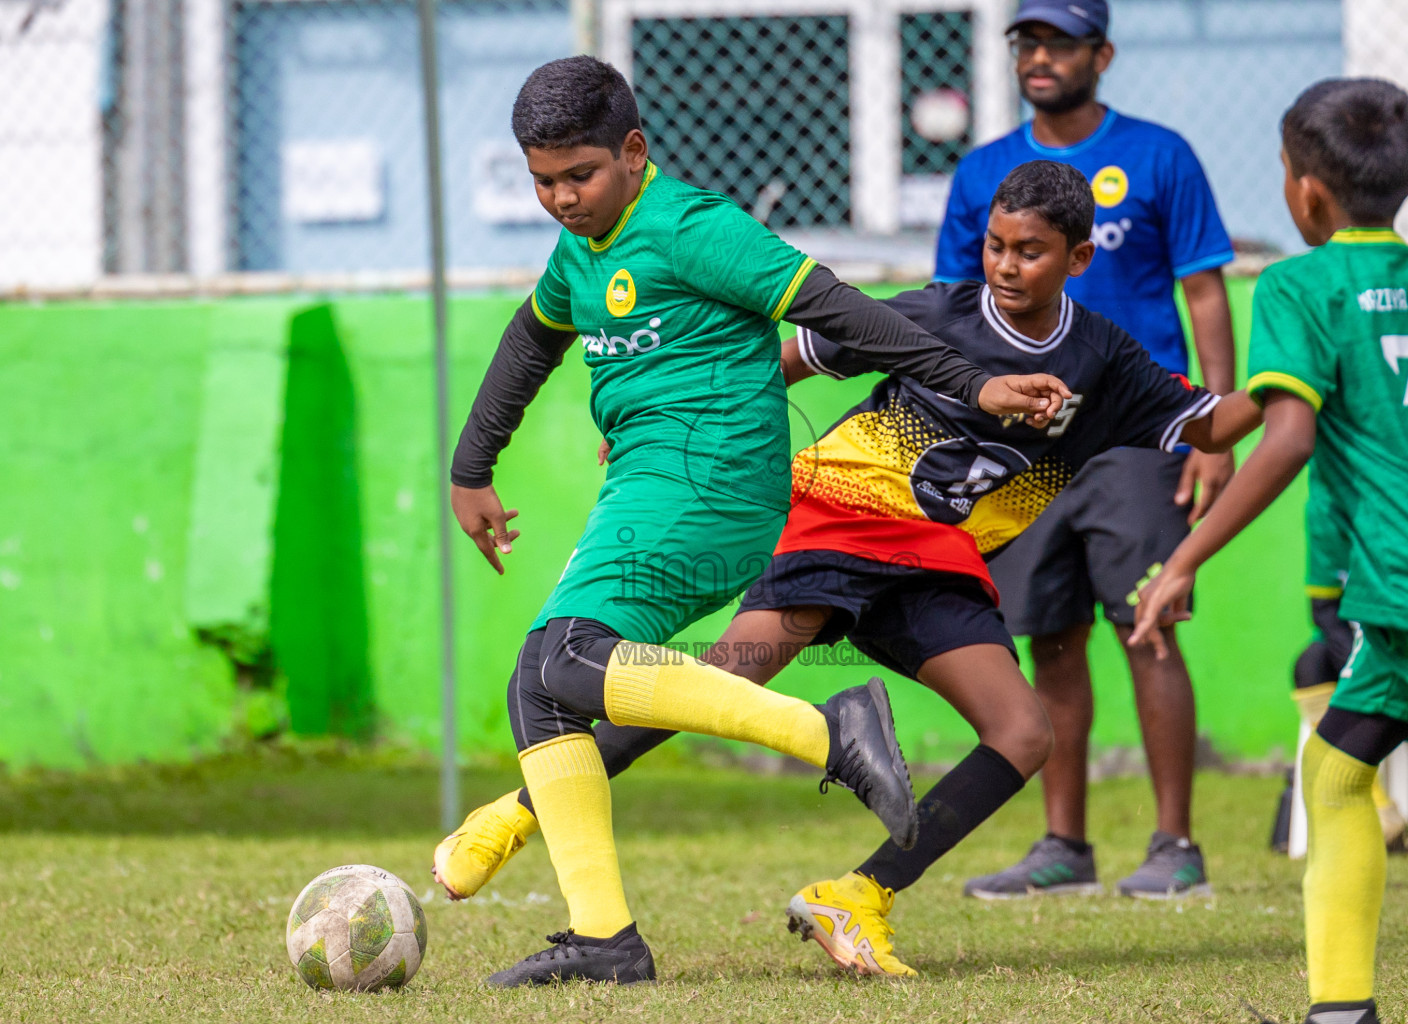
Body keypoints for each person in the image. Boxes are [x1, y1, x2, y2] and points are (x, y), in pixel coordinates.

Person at [438, 160, 1262, 977]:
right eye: (996, 245)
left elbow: (1215, 424)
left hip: (939, 564)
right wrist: (674, 413)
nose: (1007, 266)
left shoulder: (1106, 362)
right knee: (726, 679)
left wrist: (1293, 385)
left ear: (1078, 260)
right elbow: (783, 359)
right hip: (843, 517)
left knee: (1022, 733)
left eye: (1031, 251)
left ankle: (859, 896)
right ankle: (512, 817)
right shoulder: (933, 314)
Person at [448, 56, 1069, 987]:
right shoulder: (583, 250)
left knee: (558, 658)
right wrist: (471, 469)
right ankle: (605, 938)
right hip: (652, 486)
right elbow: (532, 339)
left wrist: (975, 382)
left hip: (713, 482)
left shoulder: (694, 228)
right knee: (544, 692)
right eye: (542, 182)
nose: (561, 199)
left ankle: (831, 732)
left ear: (633, 150)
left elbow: (838, 312)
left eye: (578, 175)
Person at [1130, 78, 1408, 1024]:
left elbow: (1290, 438)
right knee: (1338, 772)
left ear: (1304, 190)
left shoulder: (1299, 283)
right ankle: (1340, 1009)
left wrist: (1187, 557)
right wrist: (1188, 422)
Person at [941, 0, 1239, 900]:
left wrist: (1216, 429)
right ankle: (1063, 845)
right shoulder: (983, 170)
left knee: (1147, 625)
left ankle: (1175, 846)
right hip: (1019, 446)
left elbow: (1208, 296)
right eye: (1026, 41)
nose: (1039, 56)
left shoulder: (1160, 156)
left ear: (1101, 54)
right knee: (1051, 638)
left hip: (1133, 438)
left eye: (1059, 42)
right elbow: (955, 312)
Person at [1291, 496, 1408, 860]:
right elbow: (1323, 608)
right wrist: (1362, 659)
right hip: (1359, 642)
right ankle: (1379, 813)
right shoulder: (1325, 508)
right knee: (1308, 666)